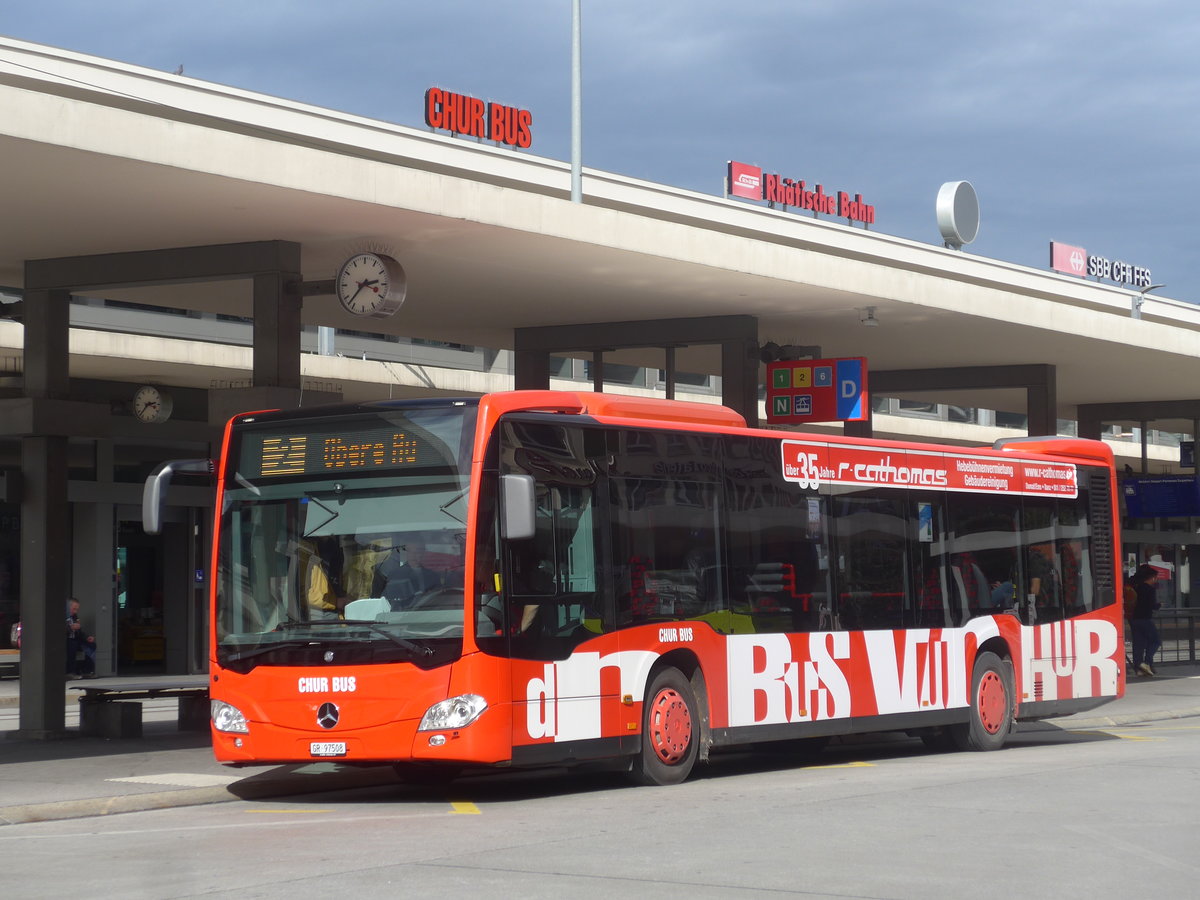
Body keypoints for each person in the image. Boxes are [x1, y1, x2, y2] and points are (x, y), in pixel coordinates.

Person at [1128, 563, 1162, 677]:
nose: (1156, 580)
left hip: (1133, 619)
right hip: (1145, 618)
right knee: (1155, 641)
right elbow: (1151, 605)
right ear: (1152, 577)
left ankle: (1139, 667)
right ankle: (1146, 663)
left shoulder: (1136, 586)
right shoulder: (1149, 589)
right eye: (1156, 578)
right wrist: (1159, 605)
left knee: (1138, 643)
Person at [66, 598, 97, 678]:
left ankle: (87, 671)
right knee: (72, 645)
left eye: (77, 609)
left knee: (91, 645)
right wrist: (71, 628)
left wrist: (87, 637)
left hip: (76, 639)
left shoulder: (75, 617)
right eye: (74, 609)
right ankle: (70, 672)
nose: (75, 611)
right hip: (66, 640)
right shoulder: (63, 615)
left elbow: (80, 631)